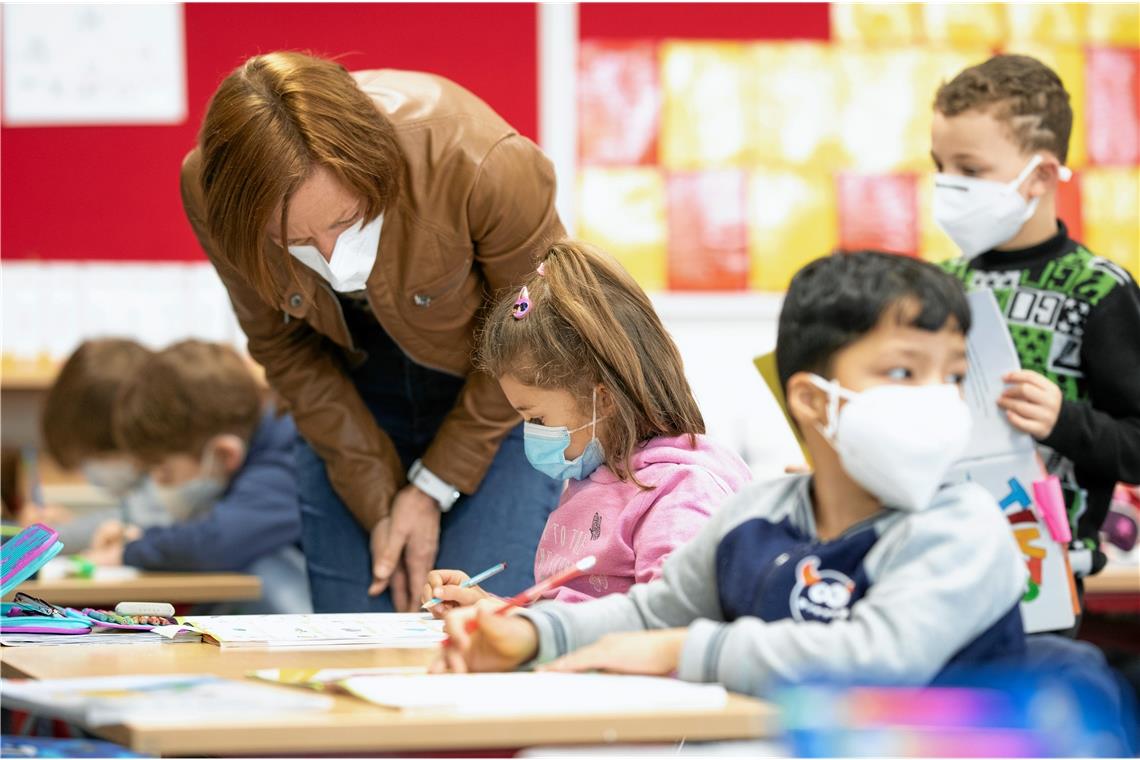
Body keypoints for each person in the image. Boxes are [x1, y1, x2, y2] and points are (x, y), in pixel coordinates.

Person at [434, 252, 1028, 696]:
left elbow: (878, 656)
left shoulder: (964, 527)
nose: (939, 399)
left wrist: (683, 647)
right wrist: (534, 634)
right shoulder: (759, 517)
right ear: (814, 401)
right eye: (902, 373)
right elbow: (649, 611)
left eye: (951, 375)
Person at [181, 51, 564, 612]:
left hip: (497, 392)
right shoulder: (213, 192)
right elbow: (283, 349)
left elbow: (535, 336)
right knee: (356, 637)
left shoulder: (480, 161)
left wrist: (433, 487)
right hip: (344, 405)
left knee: (473, 631)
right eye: (297, 240)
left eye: (344, 222)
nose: (333, 259)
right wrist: (382, 501)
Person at [421, 242, 751, 613]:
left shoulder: (679, 492)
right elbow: (568, 610)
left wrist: (524, 626)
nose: (531, 434)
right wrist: (496, 613)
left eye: (537, 419)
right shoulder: (593, 479)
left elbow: (671, 624)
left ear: (604, 400)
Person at [933, 54, 1140, 583]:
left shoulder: (1098, 289)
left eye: (970, 170)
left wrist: (1064, 421)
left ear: (1040, 175)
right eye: (941, 166)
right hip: (938, 556)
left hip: (1046, 570)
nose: (948, 185)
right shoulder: (936, 286)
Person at [85, 340, 310, 614]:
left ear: (225, 454)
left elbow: (218, 541)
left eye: (165, 472)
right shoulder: (266, 446)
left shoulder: (291, 451)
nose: (158, 485)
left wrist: (129, 552)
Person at [39, 339, 169, 550]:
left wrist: (31, 539)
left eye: (97, 455)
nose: (89, 470)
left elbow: (137, 518)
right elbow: (125, 516)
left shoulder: (173, 482)